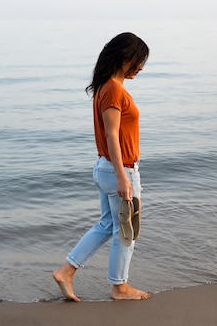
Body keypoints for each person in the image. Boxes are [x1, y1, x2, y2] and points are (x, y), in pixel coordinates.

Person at [53, 32, 151, 301]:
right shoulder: (113, 90)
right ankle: (119, 288)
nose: (141, 67)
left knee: (108, 225)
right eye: (139, 61)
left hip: (106, 167)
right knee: (126, 232)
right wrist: (123, 177)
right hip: (118, 168)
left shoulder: (106, 88)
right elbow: (112, 136)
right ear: (125, 58)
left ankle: (66, 271)